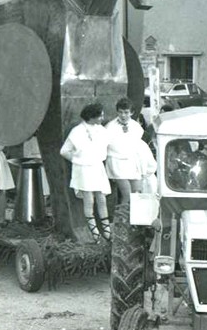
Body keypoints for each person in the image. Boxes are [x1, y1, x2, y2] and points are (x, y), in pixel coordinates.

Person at [60, 103, 112, 241]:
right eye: (100, 115)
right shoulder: (77, 131)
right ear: (91, 116)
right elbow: (64, 151)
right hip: (83, 169)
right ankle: (95, 233)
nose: (102, 117)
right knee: (89, 200)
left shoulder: (101, 130)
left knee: (101, 198)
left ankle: (107, 231)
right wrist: (78, 160)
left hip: (97, 168)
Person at [105, 97, 144, 206]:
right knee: (127, 196)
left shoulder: (136, 127)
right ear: (117, 112)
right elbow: (108, 147)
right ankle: (122, 223)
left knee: (137, 194)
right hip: (117, 163)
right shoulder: (110, 127)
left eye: (126, 112)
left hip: (132, 163)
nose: (123, 115)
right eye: (120, 112)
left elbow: (138, 147)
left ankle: (136, 222)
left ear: (131, 113)